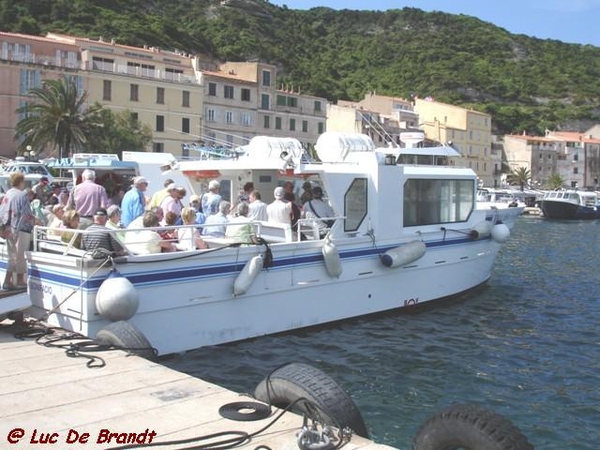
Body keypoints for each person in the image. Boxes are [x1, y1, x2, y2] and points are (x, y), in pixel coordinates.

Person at [0, 172, 35, 290]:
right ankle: (20, 281)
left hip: (8, 228)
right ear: (21, 182)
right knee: (20, 256)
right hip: (20, 229)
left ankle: (7, 281)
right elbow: (26, 214)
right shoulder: (22, 195)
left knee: (12, 257)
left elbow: (2, 212)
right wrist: (34, 223)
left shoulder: (7, 194)